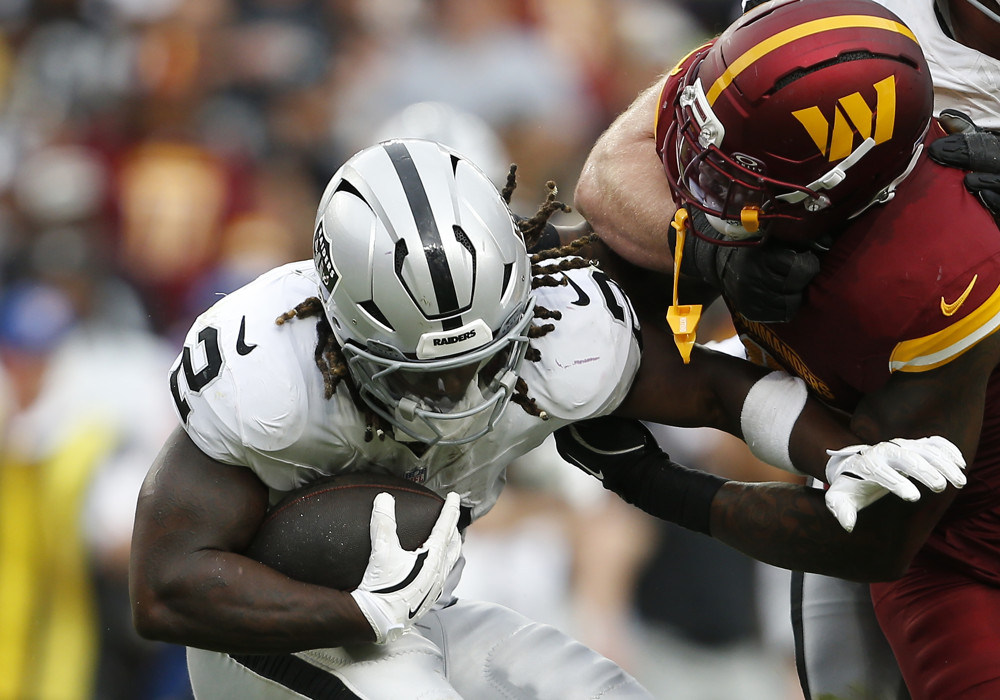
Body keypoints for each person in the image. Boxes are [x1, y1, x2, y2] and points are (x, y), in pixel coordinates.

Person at [128, 137, 962, 699]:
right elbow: (164, 591)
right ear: (338, 331)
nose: (456, 398)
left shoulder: (568, 331)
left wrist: (838, 452)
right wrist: (360, 613)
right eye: (425, 373)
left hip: (420, 613)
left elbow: (716, 391)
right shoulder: (268, 377)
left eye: (479, 362)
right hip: (273, 643)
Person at [565, 1, 1000, 698]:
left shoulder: (932, 268)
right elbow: (619, 168)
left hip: (953, 512)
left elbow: (883, 532)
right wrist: (709, 251)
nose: (696, 182)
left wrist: (653, 482)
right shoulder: (820, 33)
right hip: (872, 442)